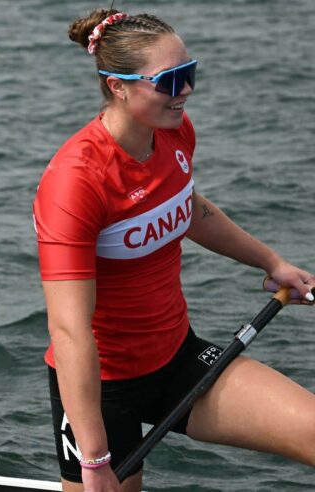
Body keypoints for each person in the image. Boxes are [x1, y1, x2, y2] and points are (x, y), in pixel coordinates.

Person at [32, 7, 315, 492]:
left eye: (190, 74)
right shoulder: (75, 183)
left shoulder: (174, 132)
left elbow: (186, 207)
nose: (184, 90)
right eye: (170, 79)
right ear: (118, 86)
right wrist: (96, 460)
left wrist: (272, 263)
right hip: (101, 392)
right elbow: (70, 331)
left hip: (177, 359)